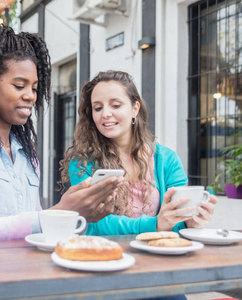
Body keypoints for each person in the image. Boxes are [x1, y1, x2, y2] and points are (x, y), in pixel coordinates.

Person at [0, 25, 122, 243]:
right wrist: (57, 212)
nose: (30, 96)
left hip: (12, 268)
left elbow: (32, 228)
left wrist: (78, 215)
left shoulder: (24, 149)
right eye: (19, 86)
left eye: (35, 88)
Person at [60, 70, 217, 236]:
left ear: (134, 109)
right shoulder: (83, 163)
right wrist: (156, 224)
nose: (105, 114)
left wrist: (190, 221)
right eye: (97, 108)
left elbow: (176, 219)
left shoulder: (167, 160)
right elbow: (94, 223)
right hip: (105, 256)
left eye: (115, 105)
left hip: (159, 256)